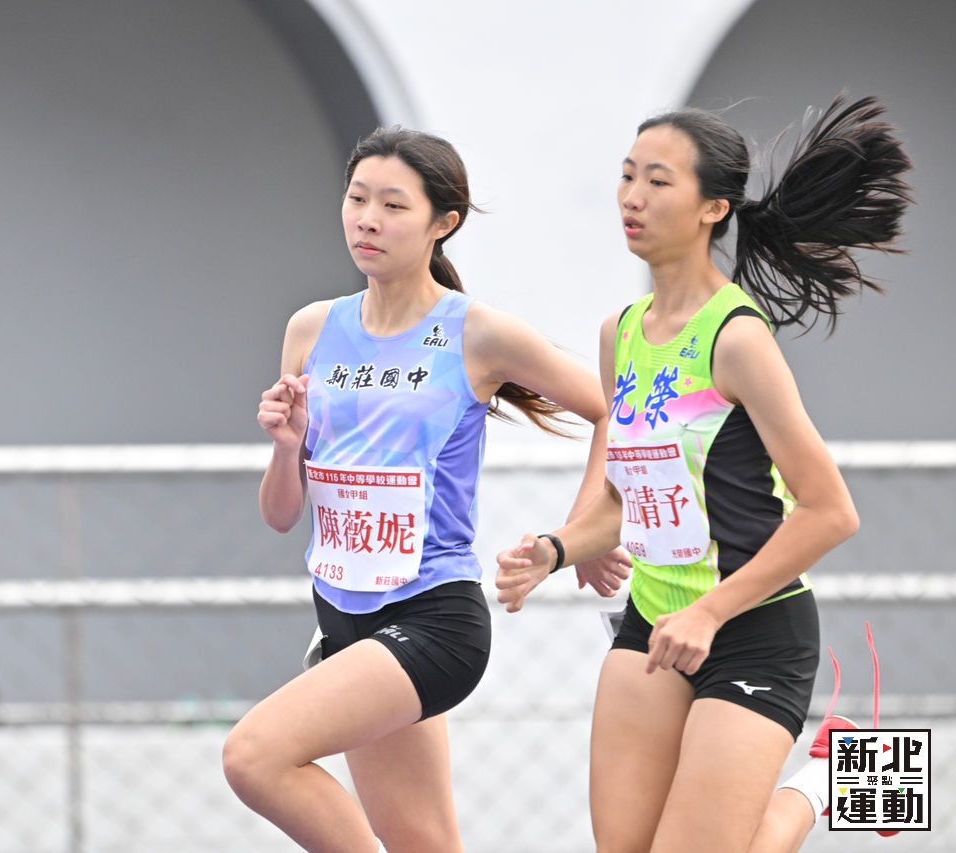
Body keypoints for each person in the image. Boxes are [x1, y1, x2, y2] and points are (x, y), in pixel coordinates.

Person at [494, 94, 910, 852]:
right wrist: (554, 550)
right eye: (627, 175)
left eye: (658, 181)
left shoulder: (738, 338)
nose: (632, 197)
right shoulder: (619, 334)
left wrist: (710, 612)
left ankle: (828, 777)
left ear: (713, 208)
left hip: (754, 630)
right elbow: (622, 498)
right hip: (654, 623)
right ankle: (832, 770)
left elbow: (830, 511)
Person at [221, 126, 628, 853]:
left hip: (434, 619)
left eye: (393, 205)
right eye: (357, 199)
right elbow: (282, 516)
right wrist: (286, 449)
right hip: (342, 619)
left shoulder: (476, 333)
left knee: (253, 756)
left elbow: (612, 410)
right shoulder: (312, 328)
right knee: (423, 843)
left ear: (444, 222)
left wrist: (583, 535)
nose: (367, 220)